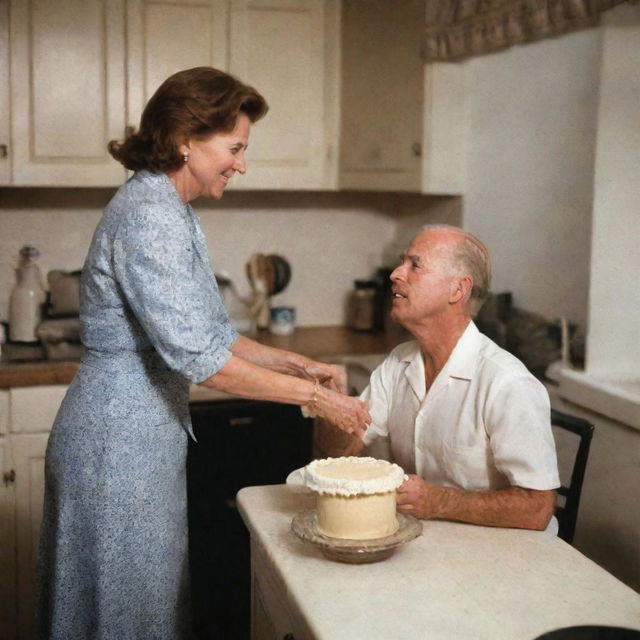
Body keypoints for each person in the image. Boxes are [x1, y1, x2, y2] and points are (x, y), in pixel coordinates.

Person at [34, 67, 370, 640]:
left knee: (146, 600)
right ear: (187, 139)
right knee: (127, 612)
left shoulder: (172, 209)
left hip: (141, 436)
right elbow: (201, 360)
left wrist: (297, 364)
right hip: (117, 443)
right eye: (235, 147)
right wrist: (317, 399)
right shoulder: (150, 217)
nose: (242, 163)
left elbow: (213, 332)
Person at [322, 224, 560, 532]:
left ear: (457, 290)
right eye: (401, 261)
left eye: (415, 265)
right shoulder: (398, 363)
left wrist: (439, 502)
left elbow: (537, 509)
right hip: (431, 541)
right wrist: (333, 410)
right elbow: (339, 452)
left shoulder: (507, 383)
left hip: (506, 555)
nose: (396, 273)